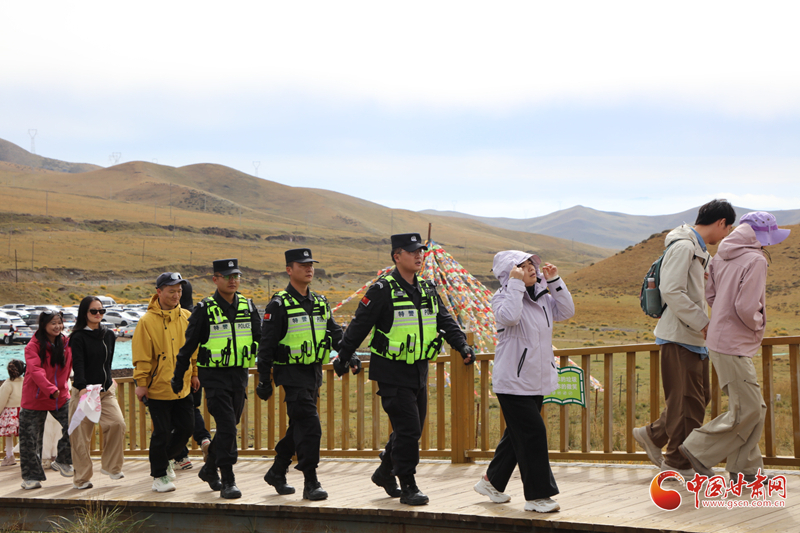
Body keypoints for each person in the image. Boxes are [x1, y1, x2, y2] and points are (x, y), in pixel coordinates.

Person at [335, 233, 475, 506]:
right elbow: (359, 325)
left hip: (418, 371)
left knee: (410, 428)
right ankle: (408, 484)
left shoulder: (428, 288)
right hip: (391, 371)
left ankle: (384, 471)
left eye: (420, 251)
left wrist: (462, 345)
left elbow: (445, 320)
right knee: (409, 429)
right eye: (412, 252)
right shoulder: (382, 289)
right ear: (397, 256)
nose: (419, 255)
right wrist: (345, 353)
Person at [679, 212, 790, 482]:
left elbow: (711, 295)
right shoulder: (756, 260)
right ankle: (697, 448)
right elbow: (746, 306)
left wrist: (723, 315)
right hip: (734, 342)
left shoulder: (721, 255)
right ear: (760, 235)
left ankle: (746, 470)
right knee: (748, 409)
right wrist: (757, 324)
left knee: (753, 408)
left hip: (720, 340)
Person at [633, 199, 736, 476]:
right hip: (680, 335)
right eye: (727, 228)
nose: (726, 234)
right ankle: (677, 463)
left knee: (698, 397)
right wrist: (703, 322)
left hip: (693, 336)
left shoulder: (698, 250)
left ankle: (653, 434)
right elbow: (671, 290)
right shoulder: (684, 247)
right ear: (721, 223)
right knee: (688, 401)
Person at [474, 251, 574, 513]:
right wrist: (516, 284)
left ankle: (491, 482)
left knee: (517, 434)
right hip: (512, 381)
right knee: (533, 434)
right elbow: (510, 317)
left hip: (536, 379)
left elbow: (567, 311)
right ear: (509, 272)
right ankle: (538, 496)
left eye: (532, 264)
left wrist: (555, 280)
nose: (531, 268)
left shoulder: (543, 298)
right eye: (522, 265)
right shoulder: (501, 297)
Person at [257, 248, 344, 501]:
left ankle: (277, 471)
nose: (309, 269)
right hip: (291, 374)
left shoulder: (320, 302)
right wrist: (264, 380)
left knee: (299, 426)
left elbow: (335, 333)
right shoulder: (279, 304)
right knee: (310, 427)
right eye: (302, 265)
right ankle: (310, 481)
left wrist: (347, 354)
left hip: (313, 373)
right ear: (289, 269)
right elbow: (266, 346)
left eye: (311, 265)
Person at [173, 259, 261, 499]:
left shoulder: (248, 307)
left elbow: (261, 339)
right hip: (214, 378)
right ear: (215, 279)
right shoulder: (205, 309)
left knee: (229, 427)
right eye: (227, 276)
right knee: (227, 428)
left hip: (239, 377)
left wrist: (267, 370)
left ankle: (209, 468)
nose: (233, 281)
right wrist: (178, 376)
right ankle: (228, 479)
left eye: (236, 276)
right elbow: (188, 346)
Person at [132, 272, 198, 493]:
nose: (176, 295)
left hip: (183, 386)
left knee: (187, 428)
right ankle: (159, 476)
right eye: (171, 291)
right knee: (161, 433)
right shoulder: (146, 321)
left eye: (179, 291)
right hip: (157, 387)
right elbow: (142, 356)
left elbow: (193, 351)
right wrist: (141, 383)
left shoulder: (187, 316)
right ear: (159, 292)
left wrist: (195, 373)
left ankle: (166, 458)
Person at [68, 296, 127, 489]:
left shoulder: (108, 334)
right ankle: (81, 479)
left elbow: (107, 362)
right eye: (93, 311)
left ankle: (111, 467)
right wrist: (82, 387)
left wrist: (109, 379)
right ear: (84, 313)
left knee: (117, 424)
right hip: (84, 391)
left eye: (101, 311)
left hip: (104, 391)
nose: (98, 314)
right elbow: (78, 364)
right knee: (80, 437)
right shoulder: (77, 337)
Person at [19, 310, 73, 489]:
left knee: (75, 424)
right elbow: (35, 370)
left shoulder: (67, 343)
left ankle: (63, 460)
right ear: (44, 325)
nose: (58, 326)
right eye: (53, 323)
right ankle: (31, 477)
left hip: (60, 396)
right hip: (35, 398)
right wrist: (50, 389)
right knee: (30, 440)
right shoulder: (32, 346)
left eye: (60, 322)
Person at [173, 280, 212, 470]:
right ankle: (204, 439)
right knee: (192, 409)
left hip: (177, 373)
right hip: (197, 372)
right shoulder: (198, 314)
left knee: (174, 414)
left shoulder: (178, 317)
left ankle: (181, 456)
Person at [0, 359, 25, 466]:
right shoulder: (25, 381)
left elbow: (2, 400)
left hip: (10, 412)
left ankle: (10, 456)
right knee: (24, 435)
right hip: (24, 410)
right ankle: (25, 456)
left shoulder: (8, 383)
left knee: (9, 435)